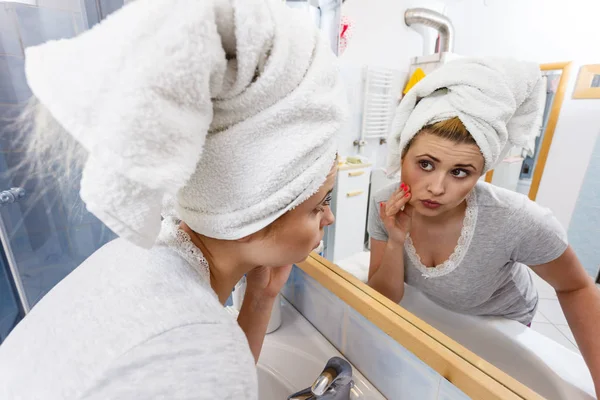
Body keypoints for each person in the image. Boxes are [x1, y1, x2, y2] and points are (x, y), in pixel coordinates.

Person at [0, 0, 347, 398]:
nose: (330, 217)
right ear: (257, 211)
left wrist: (261, 296)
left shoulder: (143, 257)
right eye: (319, 203)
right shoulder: (196, 342)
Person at [367, 58, 600, 395]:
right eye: (425, 164)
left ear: (482, 173)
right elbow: (385, 296)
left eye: (460, 171)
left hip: (502, 322)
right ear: (402, 154)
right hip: (439, 307)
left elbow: (577, 287)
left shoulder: (516, 219)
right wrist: (394, 240)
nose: (436, 187)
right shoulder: (387, 204)